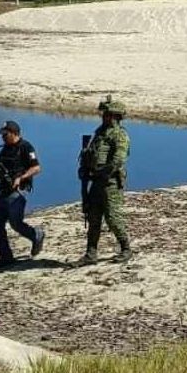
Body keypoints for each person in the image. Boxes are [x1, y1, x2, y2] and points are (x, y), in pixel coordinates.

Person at [77, 97, 132, 265]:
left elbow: (118, 160)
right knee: (93, 217)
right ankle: (91, 253)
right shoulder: (99, 133)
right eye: (104, 114)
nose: (104, 117)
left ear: (115, 116)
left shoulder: (119, 135)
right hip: (96, 181)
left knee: (112, 217)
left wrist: (102, 172)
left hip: (110, 183)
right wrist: (85, 169)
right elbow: (90, 154)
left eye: (107, 114)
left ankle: (125, 248)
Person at [0, 119, 45, 264]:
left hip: (17, 193)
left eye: (5, 134)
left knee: (15, 224)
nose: (3, 137)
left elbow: (36, 168)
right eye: (2, 135)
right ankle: (6, 258)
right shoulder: (4, 149)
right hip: (2, 191)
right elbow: (1, 167)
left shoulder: (26, 147)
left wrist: (20, 178)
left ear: (14, 133)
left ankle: (36, 235)